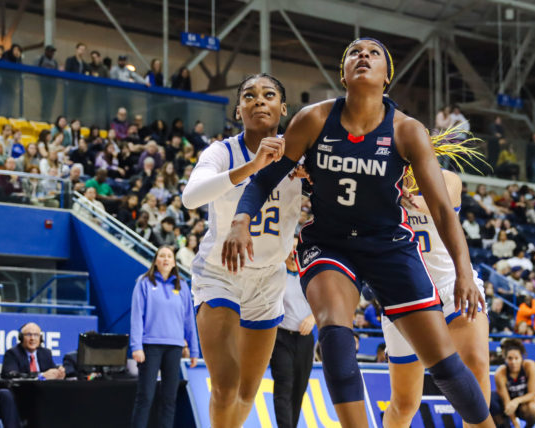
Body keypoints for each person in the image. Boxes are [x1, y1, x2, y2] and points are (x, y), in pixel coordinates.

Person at [222, 38, 490, 427]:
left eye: (373, 53)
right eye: (354, 52)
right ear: (343, 73)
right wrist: (239, 221)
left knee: (446, 366)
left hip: (389, 248)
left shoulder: (407, 131)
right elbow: (264, 181)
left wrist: (465, 272)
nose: (363, 56)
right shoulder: (313, 119)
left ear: (387, 77)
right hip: (329, 245)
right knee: (335, 333)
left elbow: (445, 215)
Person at [181, 73, 302, 427]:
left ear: (283, 108)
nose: (259, 101)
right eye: (249, 96)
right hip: (221, 273)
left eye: (268, 95)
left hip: (269, 280)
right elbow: (191, 197)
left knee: (248, 391)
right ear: (238, 110)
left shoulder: (300, 155)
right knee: (225, 385)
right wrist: (253, 168)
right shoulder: (221, 151)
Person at [381, 163, 490, 427]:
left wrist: (396, 196)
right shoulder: (378, 177)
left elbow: (441, 201)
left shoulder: (446, 177)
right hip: (404, 293)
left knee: (475, 364)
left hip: (451, 282)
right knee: (405, 403)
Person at [130, 246, 199, 428]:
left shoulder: (182, 286)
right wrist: (136, 346)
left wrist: (193, 349)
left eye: (169, 256)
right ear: (155, 261)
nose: (166, 259)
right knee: (145, 396)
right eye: (162, 256)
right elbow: (137, 316)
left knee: (169, 398)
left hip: (174, 347)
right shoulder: (144, 283)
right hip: (150, 346)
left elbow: (188, 319)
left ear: (174, 262)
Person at [270, 239, 316, 428]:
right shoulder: (276, 274)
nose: (293, 252)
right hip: (281, 337)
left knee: (299, 389)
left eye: (297, 248)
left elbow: (325, 304)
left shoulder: (311, 276)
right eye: (290, 247)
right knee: (284, 385)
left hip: (305, 340)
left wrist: (313, 318)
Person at [491, 339, 535, 428]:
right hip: (505, 405)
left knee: (534, 408)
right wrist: (515, 424)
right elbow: (507, 402)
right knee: (491, 399)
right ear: (505, 359)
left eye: (516, 358)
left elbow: (532, 394)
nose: (513, 362)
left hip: (521, 404)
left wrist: (516, 401)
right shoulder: (500, 373)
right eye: (510, 358)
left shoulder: (530, 366)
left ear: (521, 358)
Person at [0, 323, 66, 380]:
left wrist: (58, 372)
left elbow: (51, 370)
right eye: (29, 335)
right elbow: (11, 375)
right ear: (21, 337)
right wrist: (41, 376)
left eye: (36, 335)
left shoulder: (45, 353)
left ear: (40, 338)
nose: (32, 338)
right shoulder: (12, 353)